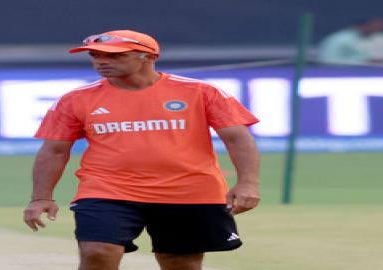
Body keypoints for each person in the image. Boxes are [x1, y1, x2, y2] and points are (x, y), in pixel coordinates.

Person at [24, 30, 261, 270]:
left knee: (180, 263)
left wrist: (248, 183)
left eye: (116, 56)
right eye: (95, 55)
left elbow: (238, 139)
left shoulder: (201, 92)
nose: (101, 61)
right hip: (107, 190)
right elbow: (54, 150)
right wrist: (41, 197)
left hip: (189, 190)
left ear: (149, 57)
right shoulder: (75, 98)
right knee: (97, 253)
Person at [318, 18, 383, 64]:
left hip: (332, 67)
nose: (374, 30)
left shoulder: (344, 35)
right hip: (333, 69)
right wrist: (371, 60)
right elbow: (365, 56)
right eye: (372, 27)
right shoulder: (347, 38)